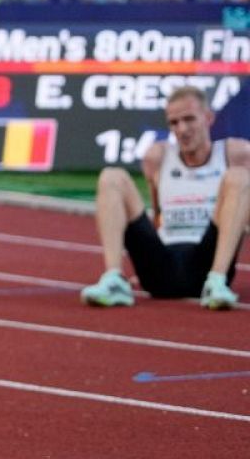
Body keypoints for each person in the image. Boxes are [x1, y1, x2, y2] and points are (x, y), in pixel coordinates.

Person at [80, 86, 250, 310]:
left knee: (239, 177)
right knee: (111, 176)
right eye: (174, 122)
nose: (182, 129)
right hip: (161, 268)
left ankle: (216, 284)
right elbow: (157, 214)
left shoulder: (235, 153)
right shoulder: (157, 157)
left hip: (208, 261)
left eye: (189, 119)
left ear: (209, 118)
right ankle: (114, 279)